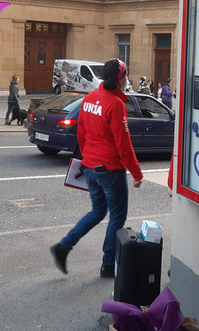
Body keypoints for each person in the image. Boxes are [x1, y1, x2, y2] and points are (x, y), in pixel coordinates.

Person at [50, 58, 144, 278]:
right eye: (125, 76)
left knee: (98, 211)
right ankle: (108, 264)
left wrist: (86, 159)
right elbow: (123, 144)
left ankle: (64, 246)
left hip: (91, 167)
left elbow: (81, 133)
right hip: (110, 170)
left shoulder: (90, 98)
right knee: (117, 217)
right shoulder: (116, 104)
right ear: (120, 79)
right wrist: (137, 173)